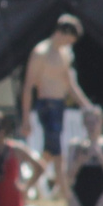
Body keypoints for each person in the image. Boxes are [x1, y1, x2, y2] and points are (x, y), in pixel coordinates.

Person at [20, 14, 86, 168]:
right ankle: (62, 188)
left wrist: (86, 105)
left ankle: (34, 181)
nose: (69, 44)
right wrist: (25, 119)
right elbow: (28, 86)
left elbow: (70, 85)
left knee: (51, 150)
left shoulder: (64, 54)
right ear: (62, 33)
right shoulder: (40, 53)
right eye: (69, 39)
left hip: (59, 104)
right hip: (46, 104)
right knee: (56, 151)